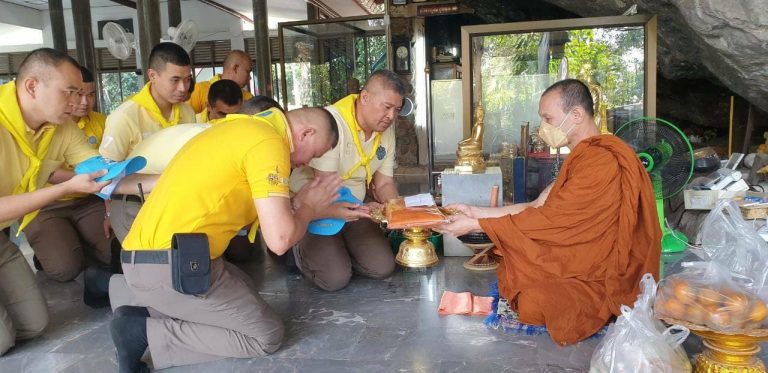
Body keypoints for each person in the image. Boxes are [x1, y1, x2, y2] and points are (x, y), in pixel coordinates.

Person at [431, 79, 661, 346]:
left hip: (600, 272)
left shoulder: (603, 161)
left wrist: (475, 224)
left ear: (576, 115)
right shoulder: (582, 157)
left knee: (536, 303)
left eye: (548, 118)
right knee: (522, 286)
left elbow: (552, 222)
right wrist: (474, 211)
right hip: (578, 257)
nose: (543, 128)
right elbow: (539, 206)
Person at [111, 106, 341, 372]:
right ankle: (142, 332)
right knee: (265, 335)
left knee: (245, 288)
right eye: (315, 154)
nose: (307, 163)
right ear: (306, 133)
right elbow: (279, 240)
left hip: (151, 256)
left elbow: (274, 203)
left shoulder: (239, 128)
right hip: (171, 266)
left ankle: (144, 313)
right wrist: (310, 208)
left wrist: (318, 206)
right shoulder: (269, 142)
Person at [0, 47, 116, 355]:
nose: (80, 103)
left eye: (82, 93)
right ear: (32, 86)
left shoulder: (59, 127)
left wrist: (157, 179)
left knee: (34, 325)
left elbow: (102, 170)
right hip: (25, 214)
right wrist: (62, 189)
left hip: (2, 237)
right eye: (70, 92)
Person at [289, 70, 405, 291]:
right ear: (365, 98)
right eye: (386, 107)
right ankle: (298, 242)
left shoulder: (386, 133)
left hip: (354, 206)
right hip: (318, 208)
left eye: (396, 110)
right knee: (334, 280)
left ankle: (340, 250)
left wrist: (397, 212)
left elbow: (384, 184)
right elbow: (326, 190)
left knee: (383, 267)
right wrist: (361, 210)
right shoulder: (331, 124)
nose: (391, 116)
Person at [23, 65, 114, 283]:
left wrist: (110, 210)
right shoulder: (37, 126)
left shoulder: (99, 122)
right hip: (46, 205)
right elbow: (48, 173)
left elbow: (103, 167)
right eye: (75, 94)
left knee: (113, 253)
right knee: (63, 270)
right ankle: (59, 248)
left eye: (90, 95)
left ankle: (74, 243)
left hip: (89, 199)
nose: (82, 102)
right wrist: (78, 181)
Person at [100, 42, 196, 162]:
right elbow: (107, 172)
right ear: (152, 76)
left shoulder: (187, 112)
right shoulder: (124, 117)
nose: (183, 88)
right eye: (175, 80)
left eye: (187, 79)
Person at [187, 50, 253, 114]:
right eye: (247, 71)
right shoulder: (199, 90)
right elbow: (187, 121)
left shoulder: (248, 98)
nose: (250, 77)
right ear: (235, 68)